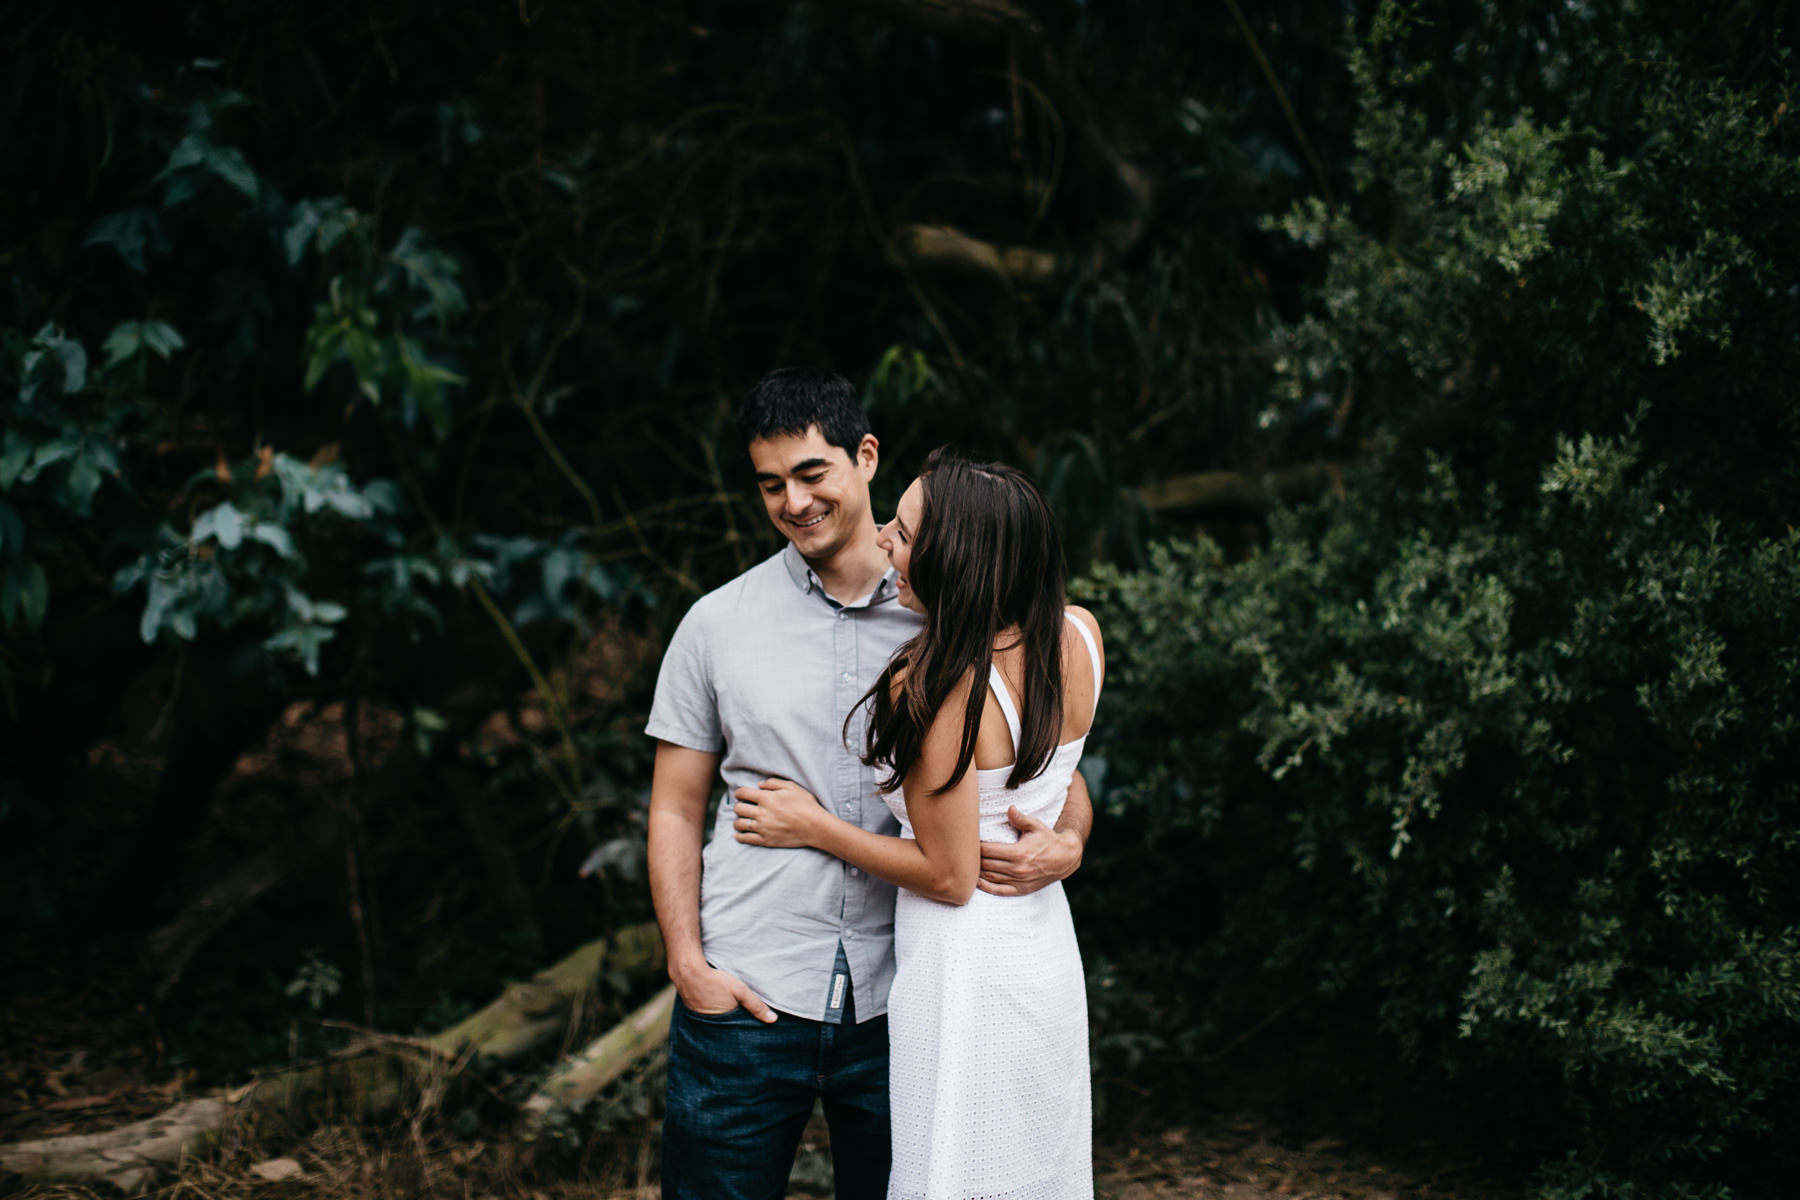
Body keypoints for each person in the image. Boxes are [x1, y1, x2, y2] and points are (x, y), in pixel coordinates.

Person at [644, 369, 1093, 1200]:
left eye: (812, 474)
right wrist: (687, 963)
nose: (794, 501)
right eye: (771, 484)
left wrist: (1067, 842)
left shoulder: (947, 600)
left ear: (866, 456)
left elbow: (1041, 759)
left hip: (907, 996)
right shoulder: (714, 623)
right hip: (749, 990)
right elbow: (674, 805)